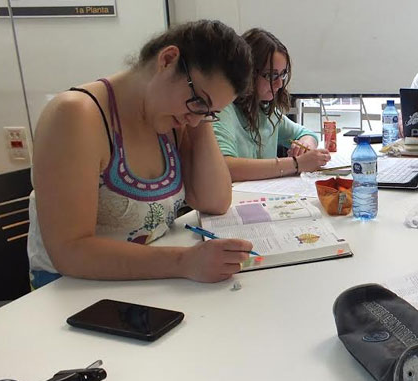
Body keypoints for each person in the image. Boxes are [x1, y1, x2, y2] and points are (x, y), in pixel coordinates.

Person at [28, 20, 255, 286]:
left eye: (210, 112)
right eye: (198, 101)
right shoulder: (76, 115)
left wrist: (202, 117)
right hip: (72, 291)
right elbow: (70, 251)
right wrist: (184, 262)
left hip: (146, 281)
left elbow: (213, 201)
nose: (194, 120)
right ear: (167, 60)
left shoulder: (174, 121)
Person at [214, 29, 331, 181]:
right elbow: (225, 167)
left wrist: (305, 145)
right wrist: (296, 163)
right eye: (271, 75)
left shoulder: (266, 111)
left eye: (282, 74)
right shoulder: (223, 110)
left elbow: (306, 134)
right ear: (248, 73)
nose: (280, 84)